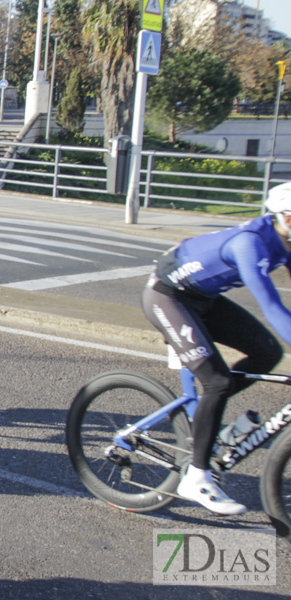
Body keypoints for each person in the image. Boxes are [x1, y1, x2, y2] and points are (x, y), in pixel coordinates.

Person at [142, 181, 291, 516]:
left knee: (269, 353)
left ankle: (210, 424)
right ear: (288, 219)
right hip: (167, 296)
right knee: (218, 381)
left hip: (202, 299)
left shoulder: (285, 240)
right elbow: (272, 307)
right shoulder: (249, 244)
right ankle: (195, 478)